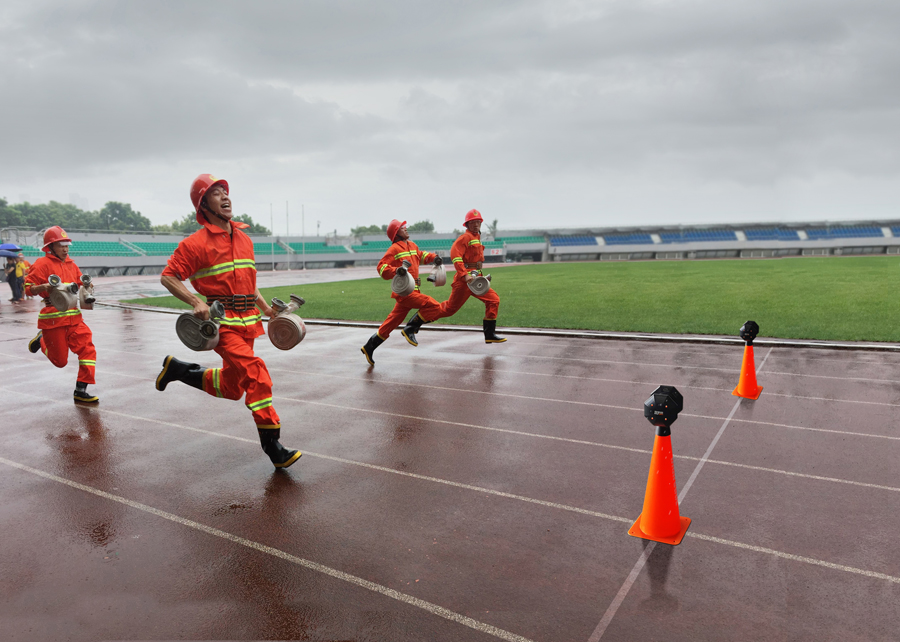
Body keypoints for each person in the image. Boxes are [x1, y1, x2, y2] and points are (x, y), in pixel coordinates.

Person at [156, 174, 301, 469]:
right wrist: (196, 301)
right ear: (203, 204)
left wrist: (268, 311)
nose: (225, 197)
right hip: (222, 325)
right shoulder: (194, 244)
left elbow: (250, 284)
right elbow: (168, 276)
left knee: (234, 387)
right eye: (216, 193)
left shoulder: (245, 239)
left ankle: (179, 370)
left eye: (225, 191)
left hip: (249, 321)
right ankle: (273, 445)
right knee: (256, 373)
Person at [24, 226, 99, 403]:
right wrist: (44, 288)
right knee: (60, 362)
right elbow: (28, 289)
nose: (65, 249)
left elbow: (82, 282)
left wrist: (88, 287)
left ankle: (81, 389)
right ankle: (41, 339)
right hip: (53, 320)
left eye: (66, 245)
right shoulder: (42, 265)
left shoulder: (72, 265)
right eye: (60, 245)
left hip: (74, 318)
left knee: (88, 349)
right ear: (50, 247)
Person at [360, 219, 443, 364]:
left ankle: (369, 347)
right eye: (402, 227)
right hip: (405, 292)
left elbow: (421, 255)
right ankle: (410, 329)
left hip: (413, 290)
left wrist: (433, 257)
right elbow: (381, 268)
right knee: (433, 305)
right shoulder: (394, 249)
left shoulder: (412, 245)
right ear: (396, 233)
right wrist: (395, 270)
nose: (406, 229)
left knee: (391, 323)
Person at [422, 209, 507, 343]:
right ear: (466, 225)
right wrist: (465, 275)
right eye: (472, 222)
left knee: (493, 300)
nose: (476, 224)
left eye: (478, 222)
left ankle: (489, 334)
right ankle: (419, 318)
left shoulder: (476, 238)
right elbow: (456, 257)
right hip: (465, 280)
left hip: (477, 279)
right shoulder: (465, 238)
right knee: (450, 309)